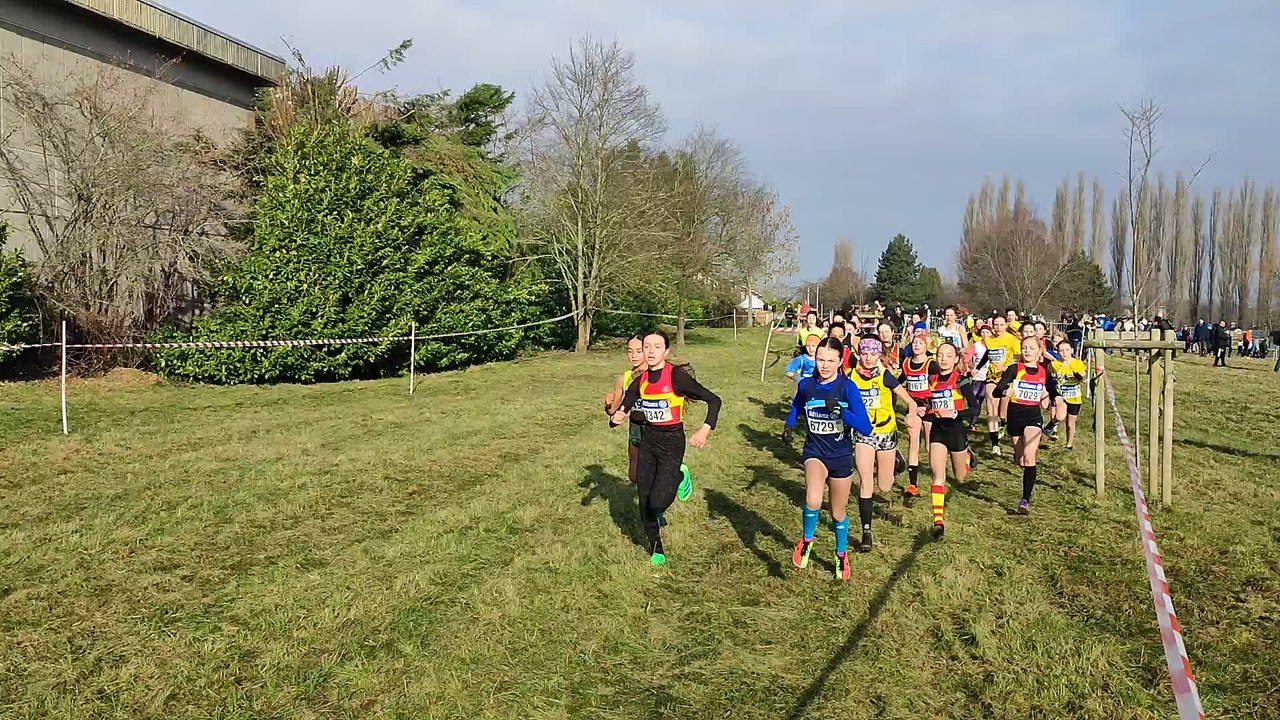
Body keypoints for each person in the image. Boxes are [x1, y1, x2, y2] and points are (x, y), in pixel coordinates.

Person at [612, 330, 723, 565]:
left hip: (672, 441)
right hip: (649, 440)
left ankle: (680, 474)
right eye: (647, 347)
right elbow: (624, 406)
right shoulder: (640, 381)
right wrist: (618, 416)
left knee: (657, 502)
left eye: (656, 347)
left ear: (666, 351)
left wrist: (704, 429)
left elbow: (714, 400)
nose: (650, 352)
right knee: (644, 498)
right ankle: (656, 549)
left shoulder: (676, 376)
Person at [781, 337, 874, 581]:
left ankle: (841, 554)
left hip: (841, 456)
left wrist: (842, 413)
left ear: (839, 361)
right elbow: (797, 405)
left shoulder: (847, 388)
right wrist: (789, 425)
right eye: (820, 359)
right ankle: (806, 540)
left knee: (837, 512)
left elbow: (866, 427)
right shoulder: (807, 386)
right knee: (812, 498)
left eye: (830, 361)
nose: (824, 365)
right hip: (814, 452)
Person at [848, 336, 922, 551]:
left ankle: (896, 461)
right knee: (865, 482)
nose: (868, 358)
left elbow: (910, 401)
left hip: (886, 432)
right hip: (864, 434)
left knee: (885, 486)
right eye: (864, 353)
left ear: (879, 355)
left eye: (872, 353)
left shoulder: (885, 376)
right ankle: (866, 532)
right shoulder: (851, 376)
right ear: (859, 355)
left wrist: (910, 414)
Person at [994, 336, 1057, 514]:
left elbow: (1052, 390)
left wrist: (1053, 398)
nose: (1027, 351)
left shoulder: (1044, 372)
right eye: (1024, 348)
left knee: (1030, 457)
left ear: (1039, 352)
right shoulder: (1015, 369)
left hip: (1033, 417)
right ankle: (1018, 457)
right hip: (1015, 417)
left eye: (1031, 348)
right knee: (1021, 458)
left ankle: (1025, 500)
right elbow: (998, 389)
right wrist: (1006, 390)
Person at [923, 342, 979, 537]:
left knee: (959, 476)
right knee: (937, 475)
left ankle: (967, 458)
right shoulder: (932, 379)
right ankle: (938, 520)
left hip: (956, 430)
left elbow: (974, 409)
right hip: (938, 430)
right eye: (940, 355)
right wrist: (924, 409)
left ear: (956, 359)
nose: (943, 359)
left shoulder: (961, 381)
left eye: (948, 355)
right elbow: (930, 403)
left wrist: (955, 412)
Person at [899, 330, 936, 502]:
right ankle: (913, 484)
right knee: (913, 444)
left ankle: (937, 480)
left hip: (930, 407)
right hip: (914, 407)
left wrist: (928, 406)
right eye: (914, 342)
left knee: (930, 447)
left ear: (927, 345)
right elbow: (898, 383)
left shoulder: (931, 364)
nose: (916, 345)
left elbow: (939, 388)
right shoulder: (906, 363)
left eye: (920, 343)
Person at [604, 335, 646, 483]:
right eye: (630, 351)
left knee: (654, 470)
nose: (633, 356)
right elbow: (613, 411)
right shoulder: (624, 378)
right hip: (635, 426)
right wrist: (608, 405)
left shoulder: (658, 374)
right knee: (634, 475)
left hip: (656, 427)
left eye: (639, 351)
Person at [983, 316, 1022, 454]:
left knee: (1002, 412)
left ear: (1006, 325)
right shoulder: (989, 340)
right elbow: (987, 355)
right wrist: (977, 367)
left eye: (1001, 324)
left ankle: (1004, 424)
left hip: (1007, 377)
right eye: (996, 324)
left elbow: (1018, 360)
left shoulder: (1013, 340)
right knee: (990, 406)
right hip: (992, 377)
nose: (998, 327)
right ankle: (995, 445)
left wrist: (1006, 368)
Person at [1045, 338, 1087, 449]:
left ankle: (1069, 445)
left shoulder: (1077, 363)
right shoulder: (1055, 364)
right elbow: (1047, 374)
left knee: (1070, 423)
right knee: (1059, 416)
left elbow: (1084, 378)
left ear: (1072, 350)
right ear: (1057, 351)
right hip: (1061, 396)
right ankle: (1050, 426)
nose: (1064, 353)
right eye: (1061, 350)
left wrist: (1079, 376)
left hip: (1075, 397)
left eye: (1067, 350)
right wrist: (1048, 387)